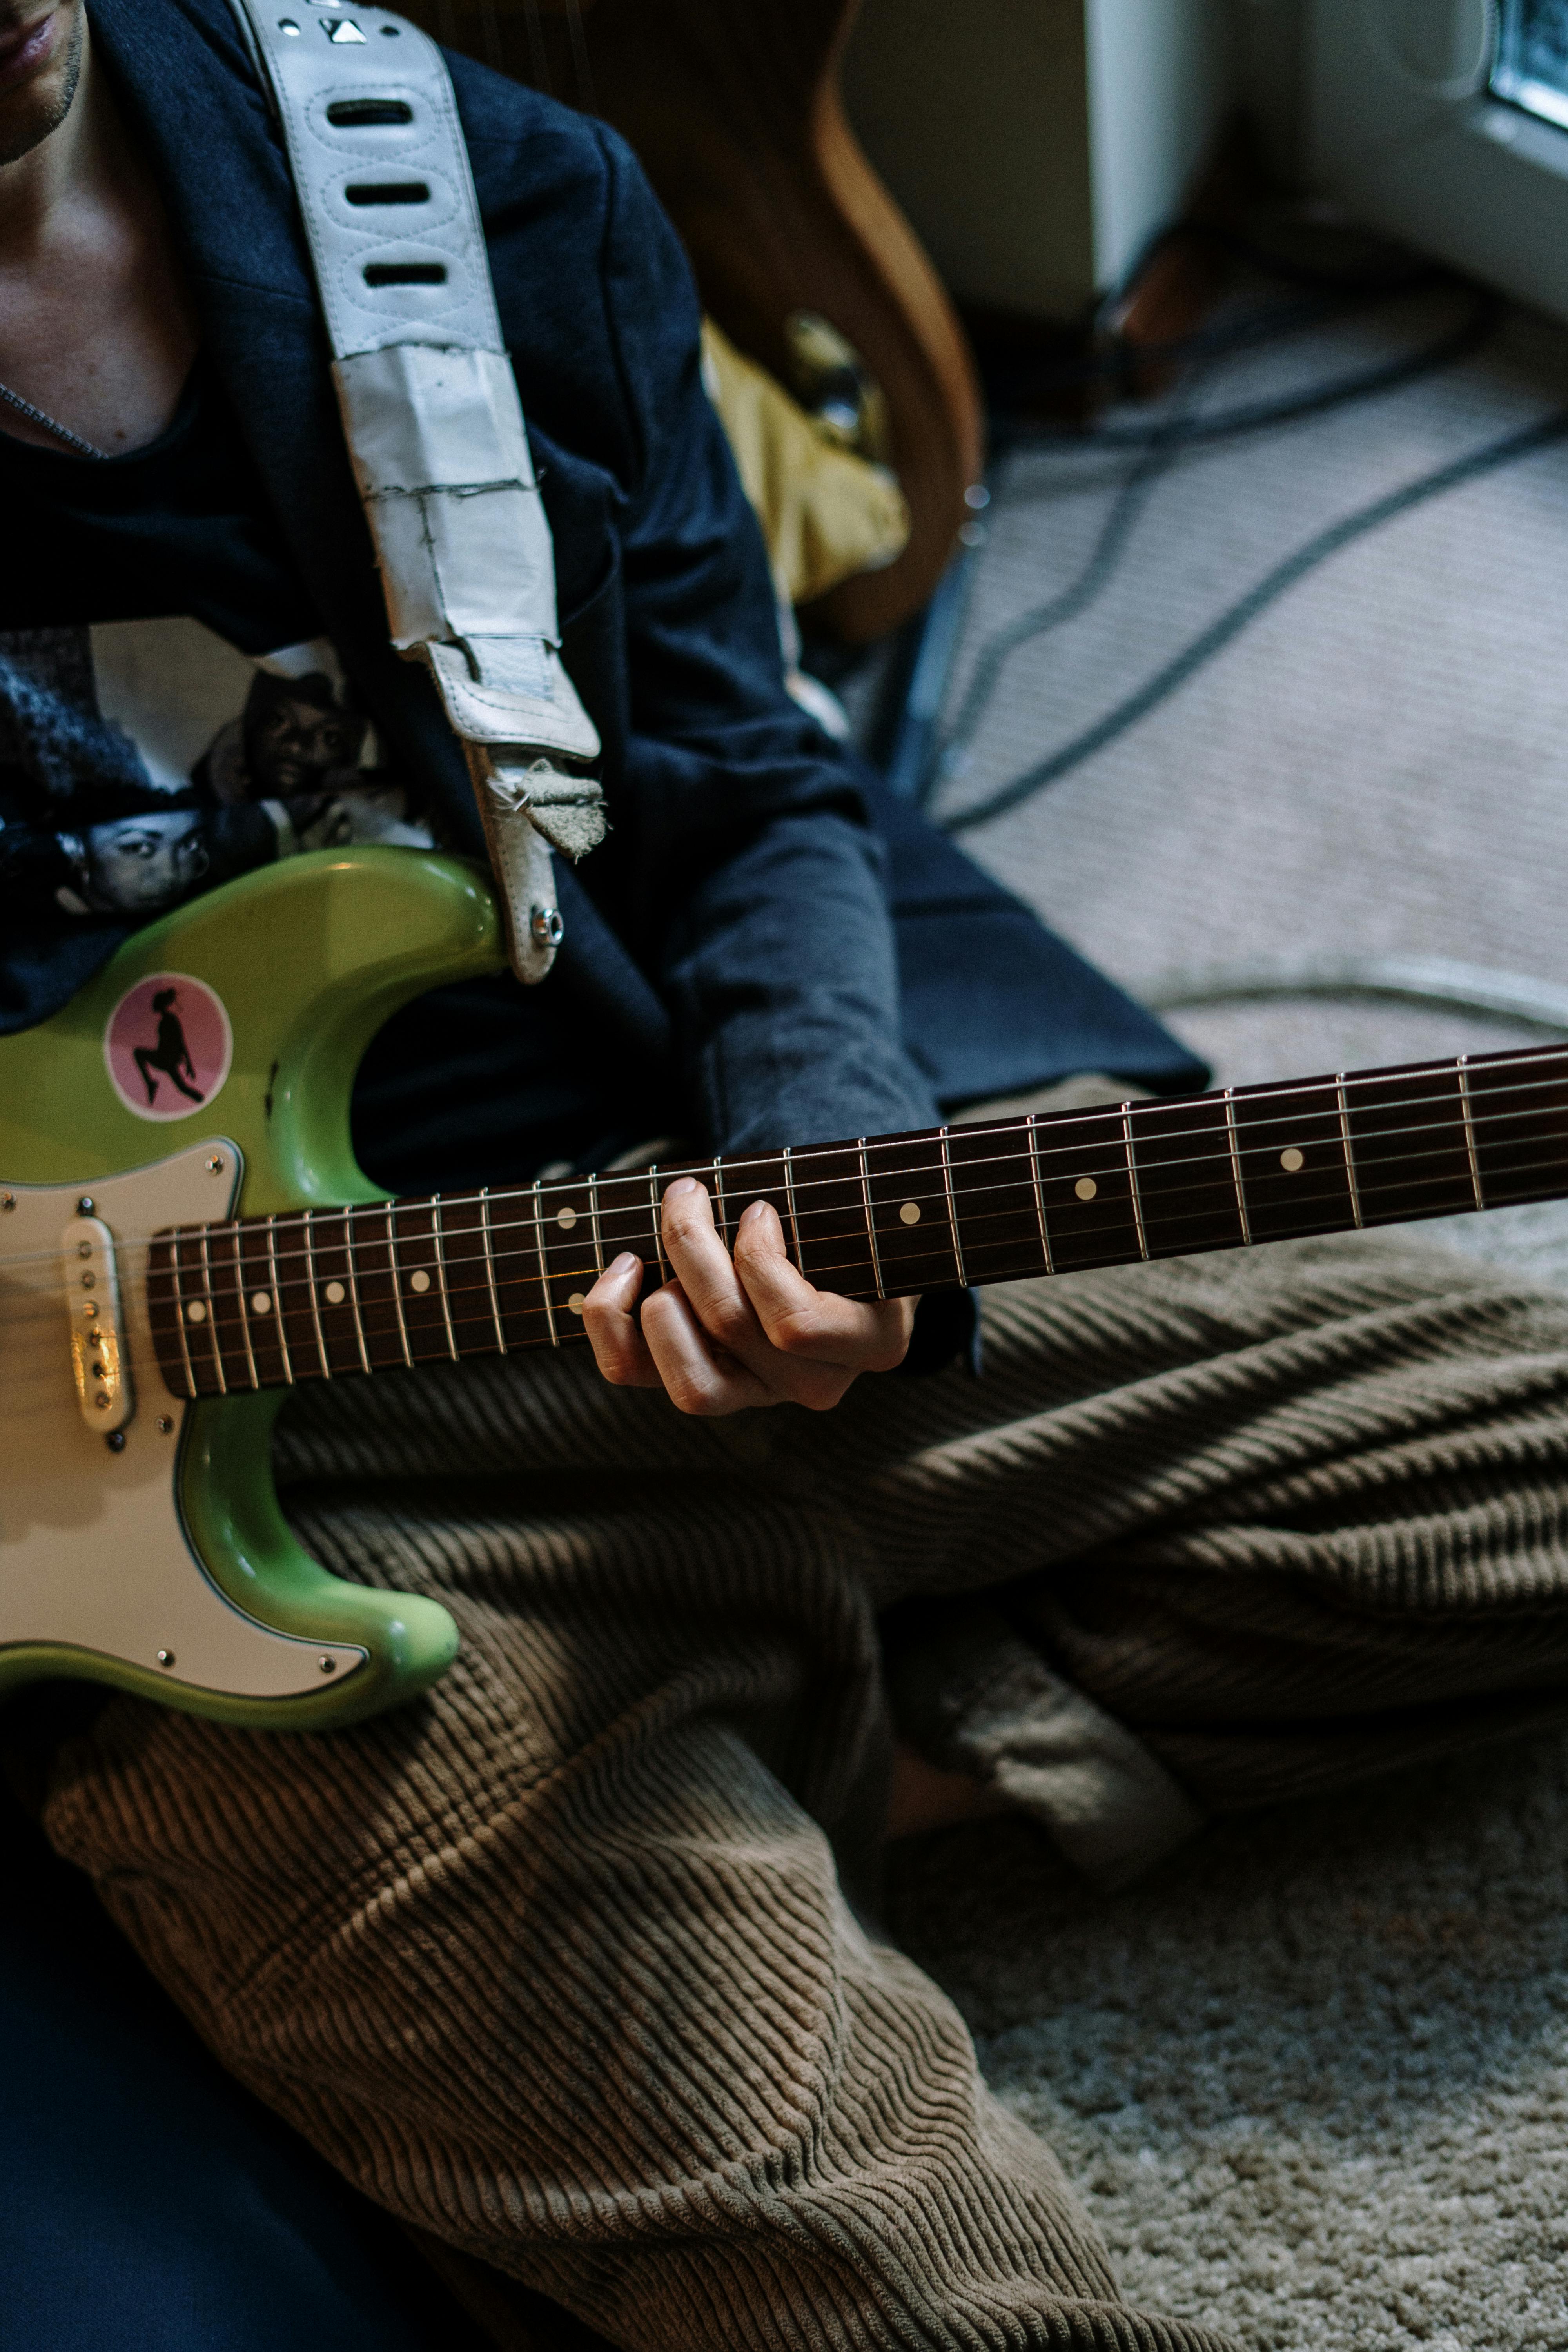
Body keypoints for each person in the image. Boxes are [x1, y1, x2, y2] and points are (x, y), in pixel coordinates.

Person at [5, 3, 1568, 2348]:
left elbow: (749, 790)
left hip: (633, 1214)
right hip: (236, 1531)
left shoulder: (470, 190)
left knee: (1525, 1443)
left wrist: (819, 1162)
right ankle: (710, 1774)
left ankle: (843, 1751)